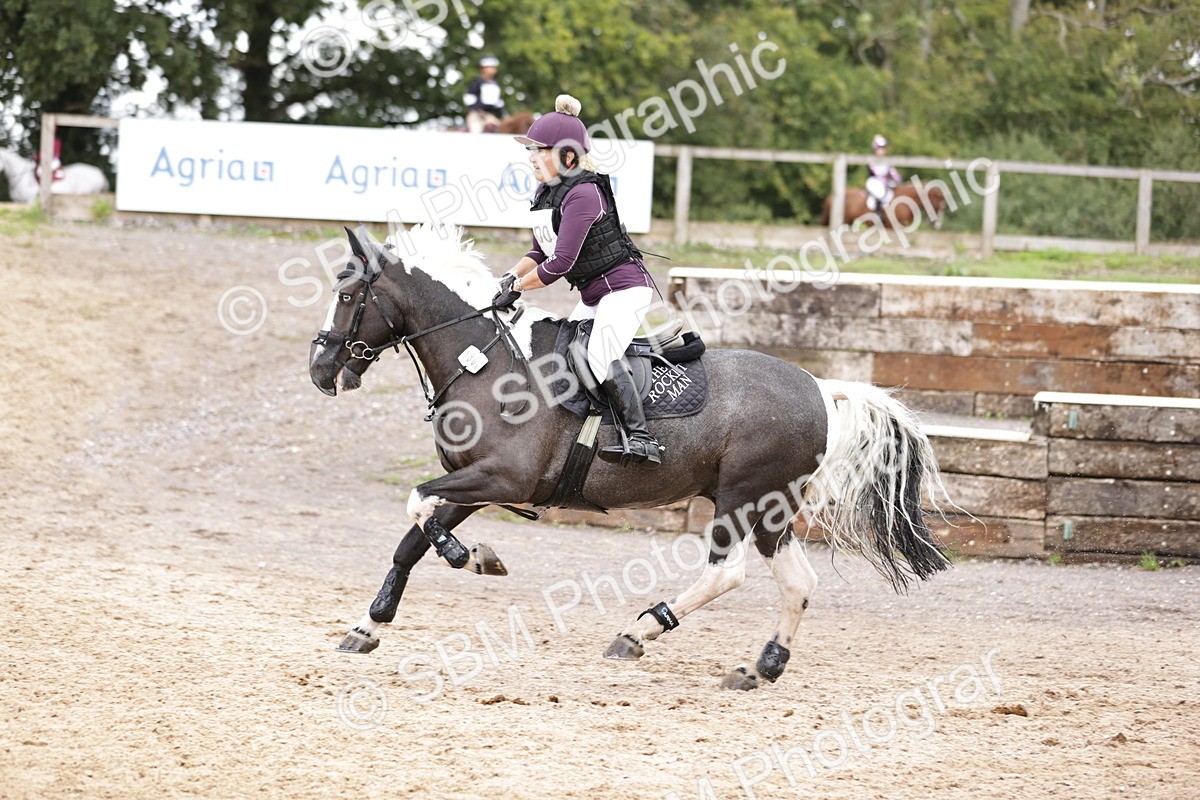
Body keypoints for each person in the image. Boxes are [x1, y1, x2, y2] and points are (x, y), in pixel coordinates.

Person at [490, 94, 664, 469]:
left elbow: (560, 264)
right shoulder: (547, 193)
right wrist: (506, 278)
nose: (532, 157)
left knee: (599, 357)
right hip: (594, 293)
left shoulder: (584, 194)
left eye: (540, 150)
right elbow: (539, 252)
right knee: (564, 352)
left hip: (624, 290)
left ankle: (641, 438)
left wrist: (518, 291)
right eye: (531, 150)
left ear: (568, 157)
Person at [463, 55, 506, 133]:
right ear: (483, 68)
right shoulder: (476, 82)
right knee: (476, 132)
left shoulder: (496, 84)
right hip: (476, 116)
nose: (493, 70)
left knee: (502, 130)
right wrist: (475, 109)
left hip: (489, 115)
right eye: (491, 67)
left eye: (494, 67)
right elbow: (469, 99)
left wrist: (503, 114)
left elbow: (498, 103)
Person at [866, 134, 901, 212]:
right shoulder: (871, 160)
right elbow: (877, 174)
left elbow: (893, 172)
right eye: (879, 148)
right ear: (875, 149)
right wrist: (886, 182)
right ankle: (878, 213)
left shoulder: (887, 161)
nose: (881, 150)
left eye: (883, 148)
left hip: (885, 182)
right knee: (881, 193)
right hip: (874, 182)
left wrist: (898, 181)